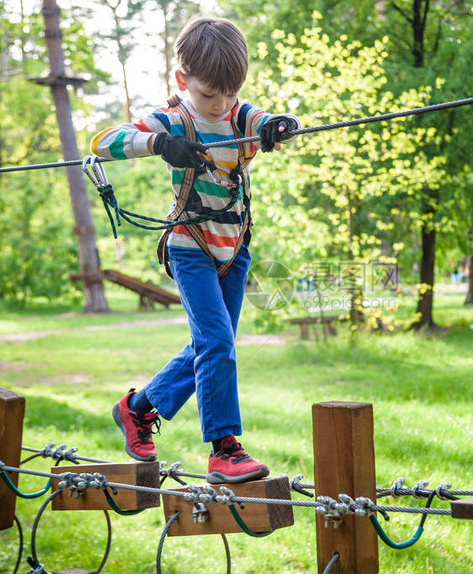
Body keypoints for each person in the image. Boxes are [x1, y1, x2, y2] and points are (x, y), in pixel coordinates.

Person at [90, 17, 301, 484]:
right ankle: (224, 450)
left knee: (212, 344)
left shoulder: (238, 114)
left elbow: (274, 124)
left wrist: (281, 128)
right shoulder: (175, 118)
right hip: (191, 246)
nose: (221, 104)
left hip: (235, 248)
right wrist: (158, 143)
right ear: (183, 81)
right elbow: (103, 142)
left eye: (230, 93)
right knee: (218, 343)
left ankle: (136, 408)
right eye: (209, 95)